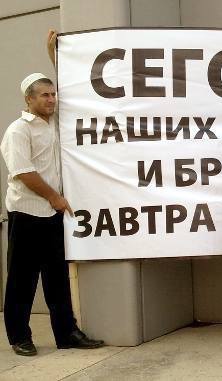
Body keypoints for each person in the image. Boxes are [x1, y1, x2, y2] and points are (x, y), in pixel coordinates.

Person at [0, 73, 105, 356]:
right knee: (22, 278)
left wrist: (54, 52)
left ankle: (66, 333)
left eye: (53, 94)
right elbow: (23, 173)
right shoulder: (18, 131)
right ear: (29, 99)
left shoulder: (54, 124)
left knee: (57, 277)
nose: (51, 99)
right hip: (27, 212)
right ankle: (19, 336)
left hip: (52, 215)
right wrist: (54, 197)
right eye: (44, 95)